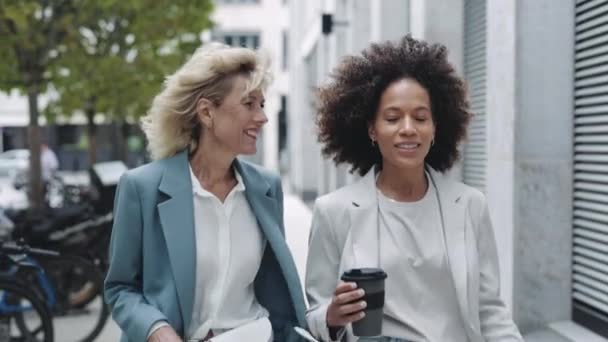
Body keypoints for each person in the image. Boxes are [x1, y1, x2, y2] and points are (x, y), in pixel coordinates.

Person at [305, 36, 523, 342]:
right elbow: (315, 312)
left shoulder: (470, 205)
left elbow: (490, 311)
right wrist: (331, 315)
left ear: (435, 128)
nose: (408, 128)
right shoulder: (334, 211)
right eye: (392, 118)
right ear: (371, 129)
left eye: (421, 117)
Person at [104, 43, 307, 342]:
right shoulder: (141, 187)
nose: (262, 117)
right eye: (249, 104)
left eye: (262, 105)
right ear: (206, 112)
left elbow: (274, 290)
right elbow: (120, 287)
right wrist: (156, 330)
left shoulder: (267, 187)